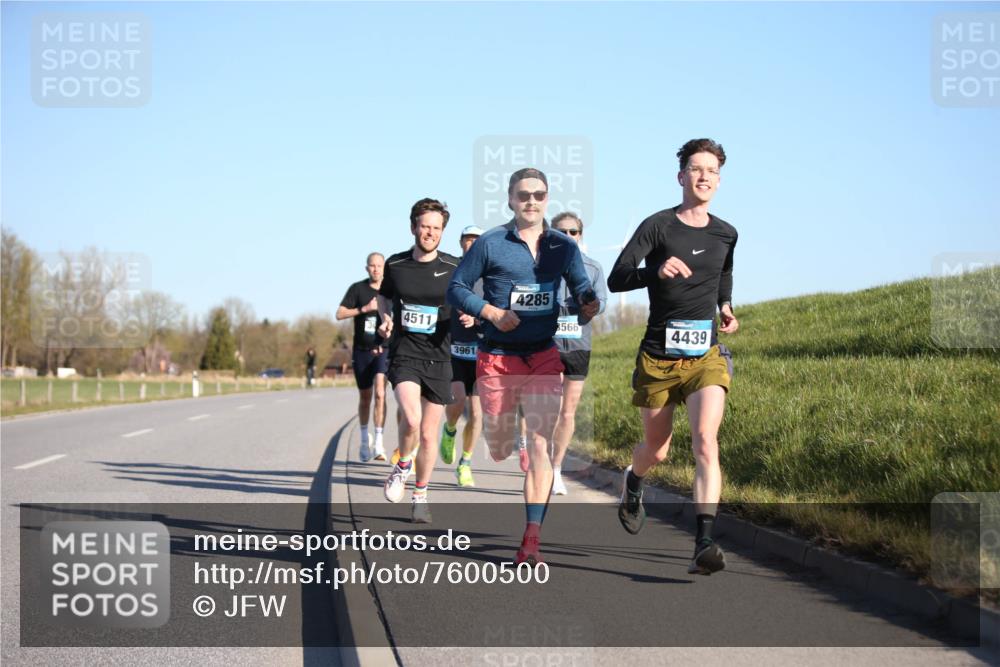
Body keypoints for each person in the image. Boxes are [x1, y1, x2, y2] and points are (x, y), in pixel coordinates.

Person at [449, 168, 599, 564]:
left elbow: (581, 286)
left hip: (543, 356)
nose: (531, 201)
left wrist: (588, 302)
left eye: (539, 194)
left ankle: (531, 538)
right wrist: (492, 313)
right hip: (497, 357)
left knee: (539, 445)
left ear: (547, 199)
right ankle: (506, 438)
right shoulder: (490, 243)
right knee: (498, 444)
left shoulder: (561, 246)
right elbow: (456, 288)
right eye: (523, 194)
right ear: (511, 200)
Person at [607, 138, 739, 576]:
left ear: (719, 180)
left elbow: (723, 274)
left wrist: (725, 307)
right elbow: (617, 278)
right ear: (681, 176)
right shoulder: (658, 226)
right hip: (659, 357)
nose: (704, 177)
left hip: (705, 355)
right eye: (696, 169)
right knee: (657, 452)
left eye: (712, 170)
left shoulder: (726, 233)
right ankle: (634, 479)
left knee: (705, 441)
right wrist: (655, 271)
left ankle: (703, 543)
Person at [379, 198, 459, 523]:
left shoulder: (454, 266)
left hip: (439, 357)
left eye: (436, 228)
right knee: (411, 420)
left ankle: (420, 495)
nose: (430, 233)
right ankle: (402, 466)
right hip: (405, 353)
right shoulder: (396, 264)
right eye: (425, 226)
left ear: (443, 231)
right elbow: (384, 296)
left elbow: (468, 296)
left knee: (428, 435)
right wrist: (386, 317)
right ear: (413, 227)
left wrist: (470, 315)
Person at [549, 212, 607, 495]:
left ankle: (555, 468)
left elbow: (602, 302)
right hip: (546, 344)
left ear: (580, 235)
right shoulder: (539, 264)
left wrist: (591, 306)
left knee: (567, 412)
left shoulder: (593, 268)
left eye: (573, 232)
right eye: (562, 232)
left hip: (578, 346)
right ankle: (539, 459)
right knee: (548, 408)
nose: (568, 236)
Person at [440, 225, 486, 488]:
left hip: (481, 352)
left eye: (476, 240)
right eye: (467, 240)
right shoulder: (451, 271)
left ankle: (465, 463)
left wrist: (477, 318)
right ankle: (449, 429)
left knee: (477, 414)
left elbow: (498, 310)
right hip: (456, 350)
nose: (471, 244)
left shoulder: (490, 275)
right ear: (460, 243)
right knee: (457, 402)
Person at [336, 253, 389, 461]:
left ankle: (379, 443)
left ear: (384, 268)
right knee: (366, 397)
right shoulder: (357, 289)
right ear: (367, 268)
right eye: (372, 266)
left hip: (384, 349)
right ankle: (365, 441)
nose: (376, 269)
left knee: (381, 393)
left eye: (379, 266)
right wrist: (364, 309)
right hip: (362, 350)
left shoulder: (390, 289)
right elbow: (339, 314)